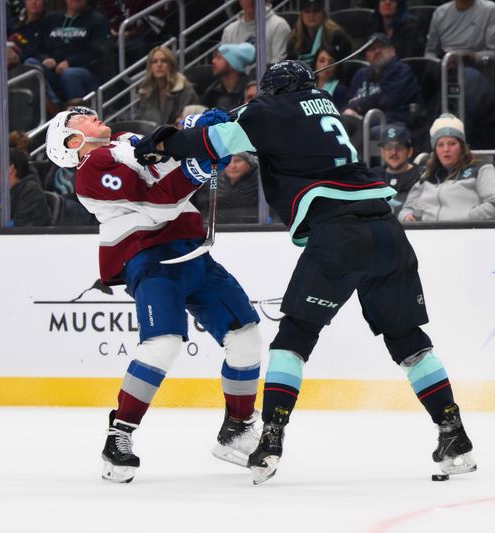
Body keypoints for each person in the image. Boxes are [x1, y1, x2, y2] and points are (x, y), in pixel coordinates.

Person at [134, 60, 477, 484]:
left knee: (292, 340)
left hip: (339, 237)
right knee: (409, 342)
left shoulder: (269, 111)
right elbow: (270, 133)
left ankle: (272, 438)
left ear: (274, 92)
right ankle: (453, 432)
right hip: (387, 232)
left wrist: (163, 142)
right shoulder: (326, 104)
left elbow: (213, 142)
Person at [44, 106, 263, 483]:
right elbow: (158, 199)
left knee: (246, 337)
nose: (89, 114)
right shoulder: (91, 170)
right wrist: (204, 156)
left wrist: (195, 134)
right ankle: (119, 436)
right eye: (78, 118)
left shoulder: (125, 143)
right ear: (72, 143)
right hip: (149, 259)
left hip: (192, 253)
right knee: (161, 344)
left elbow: (163, 161)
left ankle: (238, 428)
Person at [424, 0, 495, 143]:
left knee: (469, 78)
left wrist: (470, 56)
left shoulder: (490, 10)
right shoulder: (441, 13)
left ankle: (460, 141)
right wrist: (441, 63)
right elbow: (429, 52)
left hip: (482, 73)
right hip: (446, 70)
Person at [399, 113, 495, 222]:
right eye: (440, 145)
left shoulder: (481, 169)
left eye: (452, 143)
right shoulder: (426, 176)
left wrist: (468, 218)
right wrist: (406, 216)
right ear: (435, 150)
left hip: (467, 233)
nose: (446, 149)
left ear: (461, 146)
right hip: (428, 235)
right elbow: (406, 209)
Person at [26, 0, 109, 106]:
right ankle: (55, 106)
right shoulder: (51, 19)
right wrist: (45, 59)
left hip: (85, 73)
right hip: (54, 72)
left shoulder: (97, 20)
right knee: (31, 64)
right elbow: (37, 49)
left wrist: (70, 62)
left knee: (70, 74)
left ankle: (77, 117)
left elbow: (99, 52)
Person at [344, 33, 422, 126]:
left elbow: (386, 101)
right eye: (372, 49)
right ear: (367, 55)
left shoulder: (402, 70)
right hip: (365, 123)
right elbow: (348, 103)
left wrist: (357, 106)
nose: (377, 51)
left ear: (392, 51)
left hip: (395, 123)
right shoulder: (360, 75)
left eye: (381, 47)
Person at [137, 46, 199, 126]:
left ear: (171, 65)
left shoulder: (185, 90)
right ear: (150, 67)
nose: (159, 65)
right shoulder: (146, 92)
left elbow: (190, 122)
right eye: (155, 62)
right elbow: (141, 123)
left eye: (164, 61)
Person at [193, 151, 259, 224]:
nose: (232, 166)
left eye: (238, 161)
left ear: (250, 163)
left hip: (251, 230)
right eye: (228, 161)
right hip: (219, 229)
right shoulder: (211, 179)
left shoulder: (260, 181)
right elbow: (202, 208)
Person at [370, 124, 423, 214]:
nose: (394, 152)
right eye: (388, 147)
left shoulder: (421, 175)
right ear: (382, 152)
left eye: (400, 147)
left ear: (409, 152)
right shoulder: (372, 176)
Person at [286, 0, 353, 67]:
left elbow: (346, 63)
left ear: (323, 13)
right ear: (301, 15)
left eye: (316, 11)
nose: (311, 15)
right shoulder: (294, 39)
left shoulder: (336, 35)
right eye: (307, 11)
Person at [221, 0, 291, 64]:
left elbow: (278, 68)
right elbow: (225, 67)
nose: (251, 1)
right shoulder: (229, 31)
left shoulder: (279, 25)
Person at [201, 43, 255, 111]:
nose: (213, 61)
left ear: (232, 63)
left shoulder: (250, 90)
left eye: (219, 58)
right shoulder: (212, 91)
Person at [314, 46, 349, 111]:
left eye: (331, 62)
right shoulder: (307, 85)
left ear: (337, 67)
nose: (326, 65)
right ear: (315, 63)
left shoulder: (340, 90)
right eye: (322, 61)